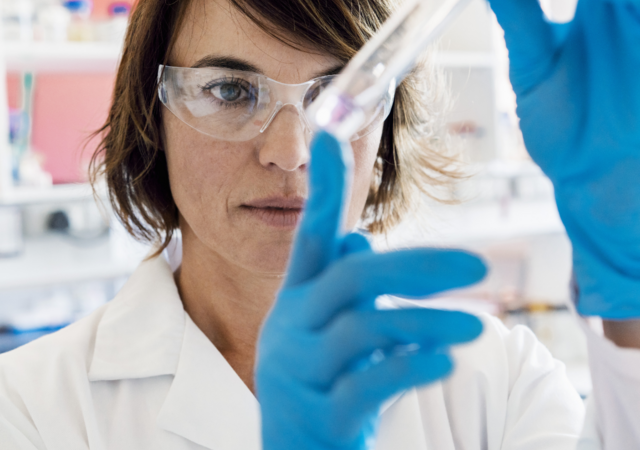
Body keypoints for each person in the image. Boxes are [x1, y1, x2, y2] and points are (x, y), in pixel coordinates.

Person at [0, 0, 638, 449]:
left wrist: (630, 287)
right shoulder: (29, 408)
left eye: (336, 97)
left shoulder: (497, 382)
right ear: (152, 115)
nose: (290, 151)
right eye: (229, 90)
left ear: (383, 126)